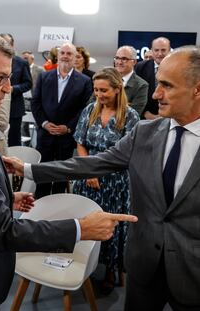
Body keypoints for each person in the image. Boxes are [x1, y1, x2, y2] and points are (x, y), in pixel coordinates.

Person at [0, 31, 137, 311]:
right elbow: (0, 230)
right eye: (1, 78)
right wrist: (81, 228)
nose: (9, 88)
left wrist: (4, 200)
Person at [4, 45, 200, 310]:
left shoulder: (131, 118)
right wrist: (28, 169)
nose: (156, 94)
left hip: (192, 273)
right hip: (143, 269)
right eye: (157, 84)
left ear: (197, 89)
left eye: (167, 85)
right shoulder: (145, 132)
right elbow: (92, 164)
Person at [73, 67, 139, 293]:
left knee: (111, 226)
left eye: (104, 90)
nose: (99, 95)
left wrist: (99, 172)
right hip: (87, 178)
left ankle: (111, 269)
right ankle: (84, 263)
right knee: (86, 223)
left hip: (114, 182)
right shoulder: (90, 110)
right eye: (96, 90)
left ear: (117, 89)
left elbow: (129, 153)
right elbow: (80, 142)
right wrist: (89, 171)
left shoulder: (130, 116)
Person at [32, 42, 93, 198]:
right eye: (63, 53)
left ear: (75, 58)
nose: (65, 56)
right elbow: (36, 102)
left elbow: (84, 109)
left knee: (61, 175)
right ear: (57, 56)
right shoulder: (44, 77)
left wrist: (68, 127)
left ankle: (58, 209)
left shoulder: (85, 81)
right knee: (43, 174)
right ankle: (40, 207)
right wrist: (44, 123)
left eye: (69, 54)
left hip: (66, 136)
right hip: (45, 134)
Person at [0, 33, 32, 146]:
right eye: (0, 43)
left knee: (14, 139)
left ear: (12, 45)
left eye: (6, 43)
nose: (3, 46)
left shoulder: (21, 62)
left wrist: (13, 89)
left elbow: (28, 84)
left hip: (14, 108)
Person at [135, 37, 171, 120]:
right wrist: (144, 113)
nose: (159, 54)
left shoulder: (178, 68)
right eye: (156, 50)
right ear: (152, 50)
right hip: (144, 118)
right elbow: (136, 92)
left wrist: (165, 115)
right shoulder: (140, 67)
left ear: (169, 50)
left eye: (163, 50)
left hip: (170, 117)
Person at [114, 45, 149, 116]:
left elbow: (133, 115)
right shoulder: (106, 79)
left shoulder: (141, 85)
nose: (119, 62)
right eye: (117, 58)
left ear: (134, 62)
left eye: (124, 59)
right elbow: (91, 106)